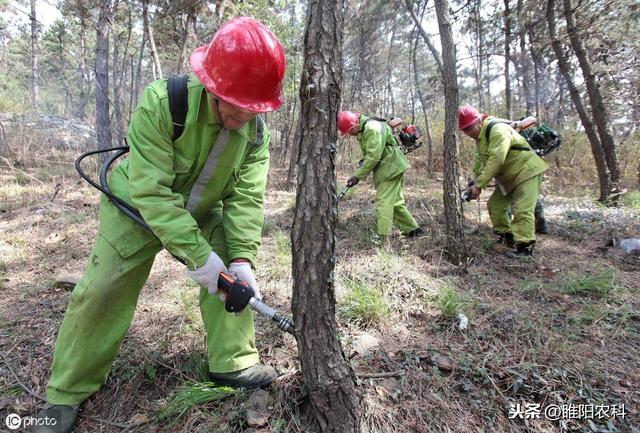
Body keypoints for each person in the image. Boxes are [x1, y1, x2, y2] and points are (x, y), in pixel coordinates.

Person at [33, 17, 286, 433]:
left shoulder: (256, 135)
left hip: (202, 210)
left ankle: (234, 361)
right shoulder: (163, 104)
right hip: (136, 206)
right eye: (239, 106)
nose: (246, 116)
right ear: (214, 86)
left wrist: (239, 260)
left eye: (254, 108)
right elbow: (152, 193)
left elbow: (245, 198)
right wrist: (201, 259)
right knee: (103, 288)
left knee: (229, 271)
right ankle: (64, 394)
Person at [459, 105, 548, 257]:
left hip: (526, 171)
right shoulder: (480, 139)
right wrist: (475, 181)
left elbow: (497, 159)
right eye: (464, 130)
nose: (468, 133)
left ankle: (525, 247)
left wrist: (480, 186)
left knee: (521, 209)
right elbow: (482, 161)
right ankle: (507, 236)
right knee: (495, 205)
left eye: (469, 128)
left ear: (479, 121)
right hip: (508, 177)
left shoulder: (497, 130)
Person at [337, 111, 422, 243]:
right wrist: (363, 161)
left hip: (390, 167)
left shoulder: (372, 128)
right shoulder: (366, 128)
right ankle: (413, 230)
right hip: (392, 166)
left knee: (383, 202)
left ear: (354, 124)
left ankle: (383, 239)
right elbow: (373, 151)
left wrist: (357, 176)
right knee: (395, 203)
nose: (350, 135)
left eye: (349, 131)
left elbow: (374, 156)